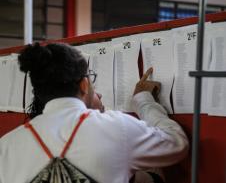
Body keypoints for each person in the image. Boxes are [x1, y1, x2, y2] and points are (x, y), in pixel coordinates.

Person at [0, 43, 188, 183]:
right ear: (84, 84)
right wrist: (144, 100)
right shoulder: (116, 128)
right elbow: (177, 144)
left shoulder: (6, 145)